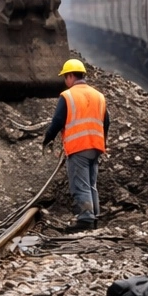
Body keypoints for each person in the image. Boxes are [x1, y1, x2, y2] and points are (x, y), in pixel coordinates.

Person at [42, 59, 110, 230]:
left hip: (79, 146)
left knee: (80, 184)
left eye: (65, 77)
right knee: (91, 184)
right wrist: (103, 141)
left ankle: (85, 219)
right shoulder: (99, 96)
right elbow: (106, 121)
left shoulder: (68, 96)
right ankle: (94, 218)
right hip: (96, 145)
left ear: (71, 76)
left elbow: (57, 121)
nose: (65, 81)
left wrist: (48, 138)